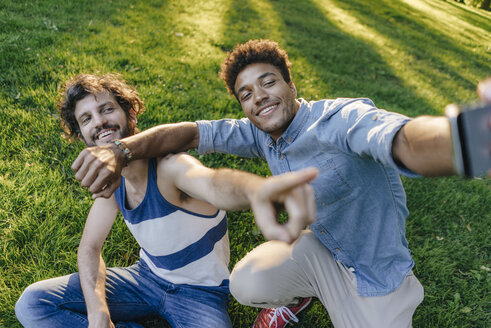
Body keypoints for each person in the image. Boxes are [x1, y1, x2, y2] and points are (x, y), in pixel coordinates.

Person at [69, 40, 491, 328]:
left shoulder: (338, 119)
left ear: (291, 84)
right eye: (246, 94)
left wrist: (464, 139)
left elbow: (399, 140)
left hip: (376, 274)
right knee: (246, 283)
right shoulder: (260, 132)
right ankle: (296, 300)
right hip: (321, 249)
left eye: (268, 82)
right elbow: (191, 134)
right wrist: (122, 152)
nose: (259, 98)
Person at [14, 73, 318, 328]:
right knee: (32, 304)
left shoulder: (170, 167)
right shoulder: (112, 183)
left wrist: (255, 190)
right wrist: (98, 312)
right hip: (144, 280)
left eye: (107, 110)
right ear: (82, 136)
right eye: (87, 119)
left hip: (201, 295)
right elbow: (90, 248)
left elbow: (213, 184)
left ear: (130, 114)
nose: (100, 122)